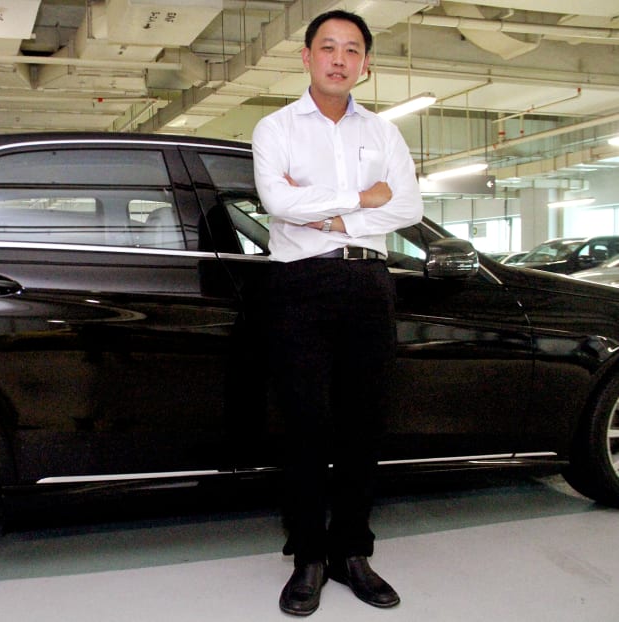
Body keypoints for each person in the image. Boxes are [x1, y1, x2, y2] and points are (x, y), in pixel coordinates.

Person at [251, 9, 424, 616]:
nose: (340, 58)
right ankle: (308, 557)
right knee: (304, 424)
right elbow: (276, 200)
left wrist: (325, 215)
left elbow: (406, 206)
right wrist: (359, 198)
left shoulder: (383, 133)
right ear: (306, 56)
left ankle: (353, 552)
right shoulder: (275, 128)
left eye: (353, 49)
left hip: (368, 282)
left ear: (366, 64)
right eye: (328, 47)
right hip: (299, 285)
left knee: (363, 424)